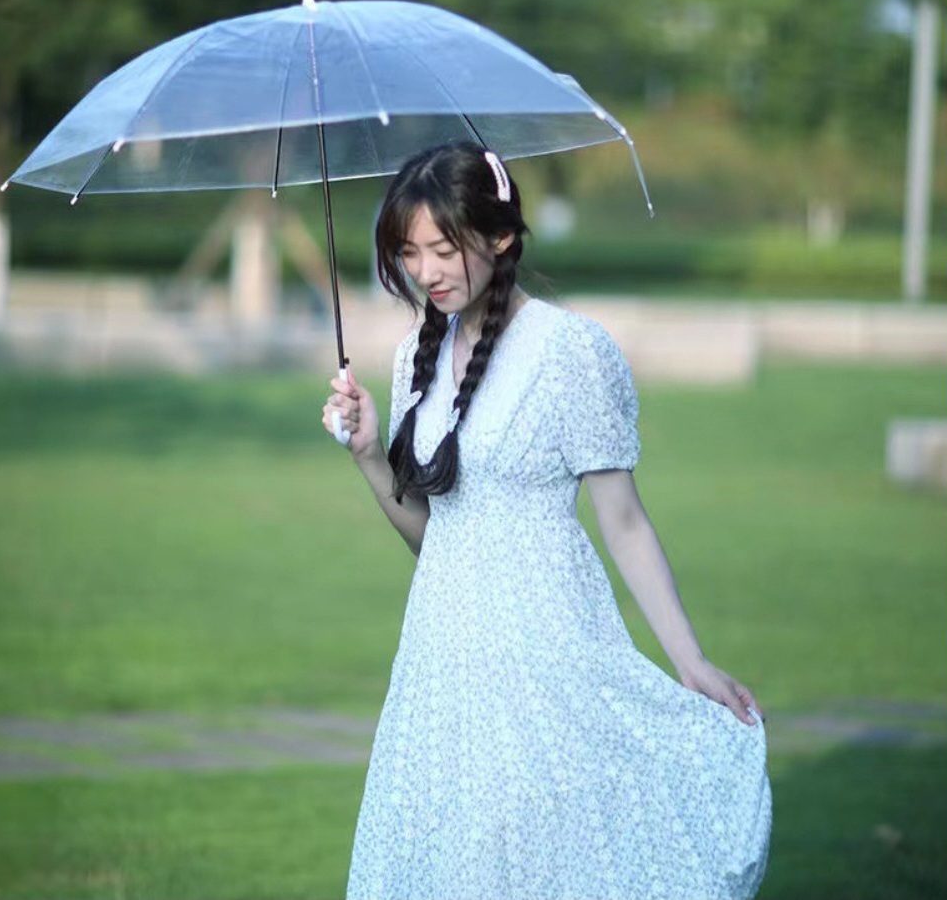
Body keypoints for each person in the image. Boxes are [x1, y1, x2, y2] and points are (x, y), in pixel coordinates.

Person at [323, 142, 771, 900]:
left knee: (553, 863)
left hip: (549, 653)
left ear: (501, 236)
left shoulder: (567, 351)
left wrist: (689, 659)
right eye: (409, 252)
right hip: (442, 662)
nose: (425, 272)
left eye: (443, 250)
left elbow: (624, 522)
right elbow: (438, 540)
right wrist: (369, 454)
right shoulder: (413, 361)